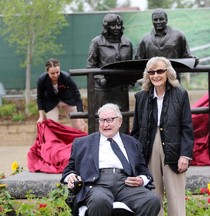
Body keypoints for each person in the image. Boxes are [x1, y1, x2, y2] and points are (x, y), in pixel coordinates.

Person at [61, 103, 161, 216]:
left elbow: (143, 170)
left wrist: (142, 179)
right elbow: (69, 170)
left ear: (120, 121)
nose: (105, 124)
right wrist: (71, 177)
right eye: (102, 120)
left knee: (152, 200)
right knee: (100, 200)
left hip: (126, 184)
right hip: (97, 184)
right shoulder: (83, 143)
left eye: (109, 120)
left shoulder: (132, 143)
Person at [130, 57, 194, 216]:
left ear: (168, 72)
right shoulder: (141, 97)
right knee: (152, 194)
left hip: (174, 147)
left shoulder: (180, 94)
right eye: (151, 72)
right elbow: (136, 130)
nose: (155, 75)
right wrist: (136, 158)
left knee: (175, 194)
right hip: (149, 147)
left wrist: (185, 155)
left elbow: (187, 127)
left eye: (159, 71)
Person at [87, 13, 133, 133]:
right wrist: (101, 79)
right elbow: (91, 65)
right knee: (103, 117)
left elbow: (130, 65)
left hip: (121, 89)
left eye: (119, 25)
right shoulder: (97, 42)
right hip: (104, 89)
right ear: (106, 26)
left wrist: (131, 78)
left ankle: (123, 144)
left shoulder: (127, 43)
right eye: (113, 25)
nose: (117, 28)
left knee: (121, 117)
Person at [36, 58, 86, 131]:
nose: (55, 75)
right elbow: (40, 97)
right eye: (52, 73)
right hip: (51, 102)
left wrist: (80, 115)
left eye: (57, 72)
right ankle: (57, 142)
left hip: (67, 100)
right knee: (52, 127)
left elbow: (77, 96)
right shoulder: (42, 80)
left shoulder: (66, 77)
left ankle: (80, 140)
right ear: (47, 72)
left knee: (79, 126)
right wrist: (41, 116)